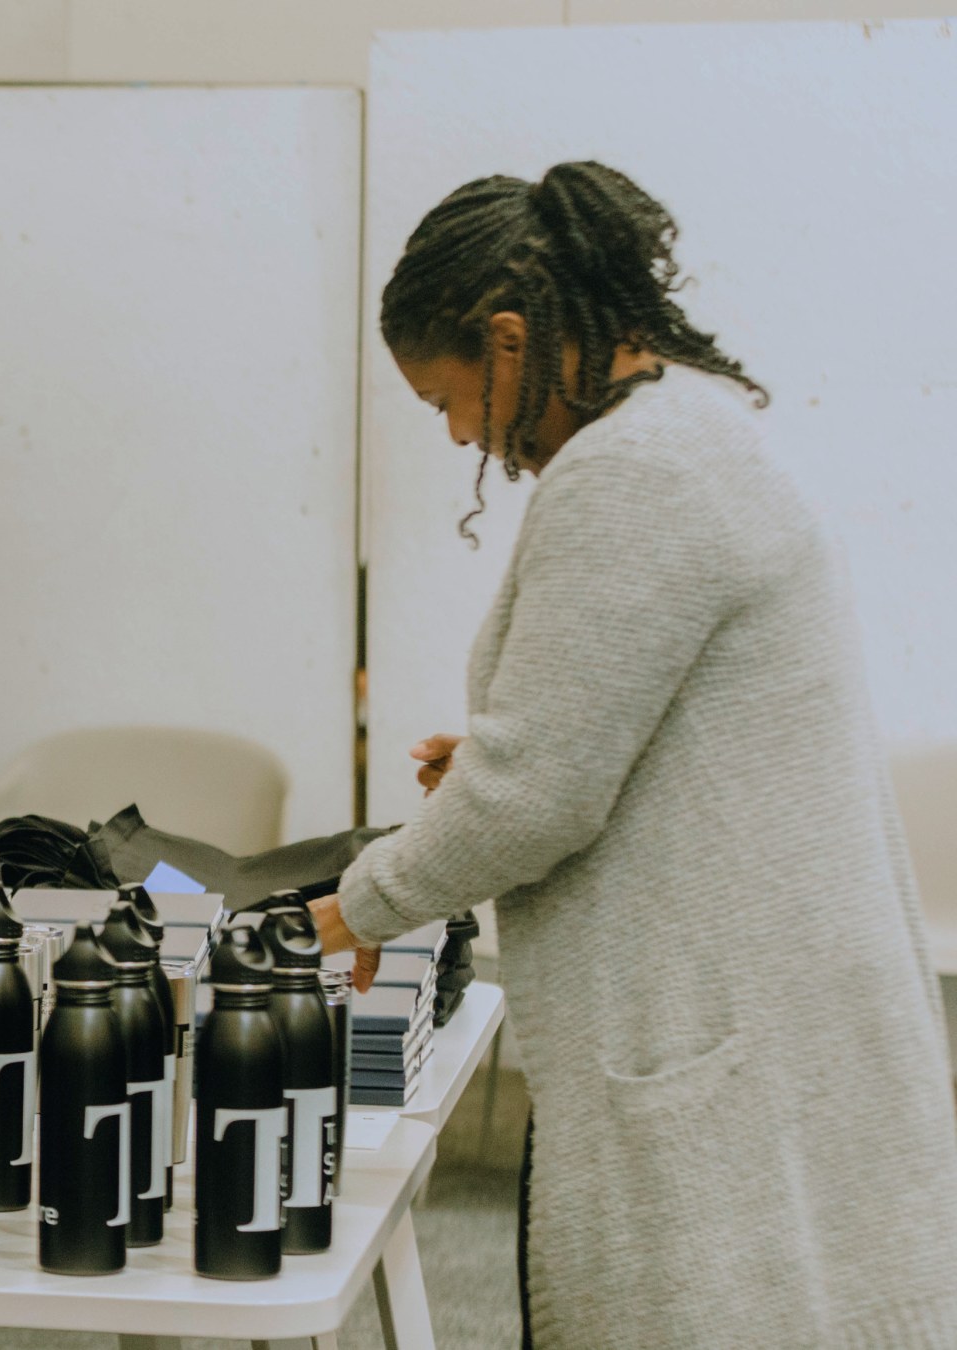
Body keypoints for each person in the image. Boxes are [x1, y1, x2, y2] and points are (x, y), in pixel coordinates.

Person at [309, 163, 957, 1347]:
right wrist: (503, 750)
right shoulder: (685, 432)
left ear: (511, 341)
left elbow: (537, 796)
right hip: (761, 999)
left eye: (445, 400)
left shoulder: (633, 476)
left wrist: (348, 911)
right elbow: (632, 730)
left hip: (726, 1028)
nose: (460, 433)